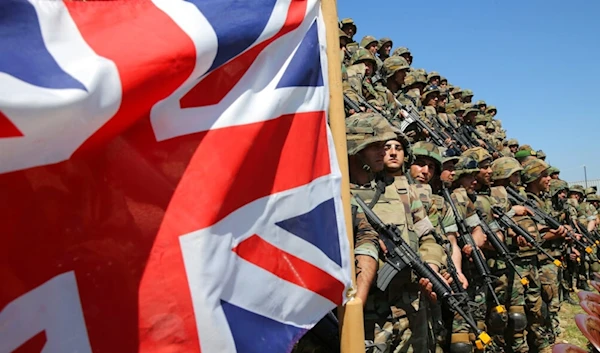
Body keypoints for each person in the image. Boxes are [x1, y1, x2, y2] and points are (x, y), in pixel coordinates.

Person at [347, 113, 446, 353]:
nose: (385, 152)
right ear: (355, 148)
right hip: (365, 313)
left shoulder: (403, 190)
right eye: (376, 146)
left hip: (409, 307)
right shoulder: (336, 192)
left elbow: (428, 237)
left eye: (387, 145)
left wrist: (431, 265)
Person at [491, 156, 549, 352]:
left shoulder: (516, 195)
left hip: (528, 257)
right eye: (514, 175)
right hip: (510, 260)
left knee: (535, 305)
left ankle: (536, 343)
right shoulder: (496, 195)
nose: (518, 178)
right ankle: (517, 347)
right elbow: (495, 224)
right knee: (514, 312)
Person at [521, 158, 567, 347]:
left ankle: (549, 333)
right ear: (533, 178)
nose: (549, 179)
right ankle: (539, 341)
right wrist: (554, 234)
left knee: (550, 300)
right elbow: (531, 234)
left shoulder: (542, 200)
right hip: (538, 259)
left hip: (548, 256)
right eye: (544, 176)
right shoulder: (527, 201)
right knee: (539, 305)